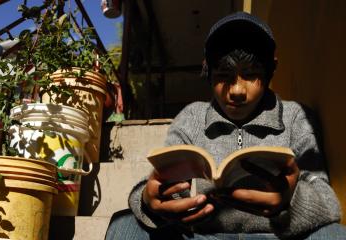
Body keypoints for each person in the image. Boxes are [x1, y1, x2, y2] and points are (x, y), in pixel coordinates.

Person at [105, 12, 346, 239]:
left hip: (277, 234)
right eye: (223, 76)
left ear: (271, 69)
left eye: (251, 74)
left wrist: (290, 201)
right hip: (201, 235)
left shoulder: (296, 117)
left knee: (335, 235)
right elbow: (164, 183)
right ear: (208, 72)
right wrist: (150, 201)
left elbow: (328, 203)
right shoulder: (192, 117)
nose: (237, 91)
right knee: (124, 224)